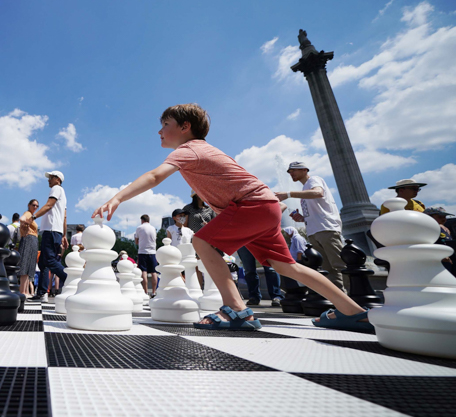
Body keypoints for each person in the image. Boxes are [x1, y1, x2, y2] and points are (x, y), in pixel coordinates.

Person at [93, 103, 371, 332]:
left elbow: (155, 176)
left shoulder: (189, 149)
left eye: (165, 124)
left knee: (201, 242)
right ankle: (354, 312)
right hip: (265, 206)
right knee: (286, 266)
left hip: (251, 206)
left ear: (185, 127)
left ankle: (237, 309)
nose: (159, 131)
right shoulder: (199, 151)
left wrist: (117, 197)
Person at [276, 161, 347, 292]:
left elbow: (318, 192)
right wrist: (302, 218)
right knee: (327, 269)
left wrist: (288, 194)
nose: (291, 173)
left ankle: (355, 297)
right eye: (289, 172)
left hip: (326, 229)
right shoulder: (305, 189)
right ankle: (342, 299)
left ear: (305, 170)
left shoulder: (314, 180)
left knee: (339, 264)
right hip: (314, 232)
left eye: (294, 170)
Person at [31, 171, 68, 300]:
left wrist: (33, 217)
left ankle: (72, 280)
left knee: (50, 260)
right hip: (55, 230)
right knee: (43, 263)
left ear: (57, 179)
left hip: (51, 229)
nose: (48, 180)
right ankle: (42, 293)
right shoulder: (63, 194)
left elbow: (48, 205)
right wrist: (64, 235)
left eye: (50, 178)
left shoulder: (56, 189)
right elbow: (64, 216)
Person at [18, 199, 40, 298]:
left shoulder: (31, 215)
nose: (35, 207)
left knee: (29, 266)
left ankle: (26, 291)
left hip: (33, 240)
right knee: (25, 264)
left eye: (37, 206)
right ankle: (23, 291)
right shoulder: (27, 213)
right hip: (28, 239)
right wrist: (26, 224)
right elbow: (22, 218)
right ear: (29, 205)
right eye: (33, 205)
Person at [424, 207, 455, 275]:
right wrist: (439, 255)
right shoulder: (426, 229)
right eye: (440, 217)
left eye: (444, 217)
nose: (443, 219)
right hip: (435, 262)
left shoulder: (445, 229)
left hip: (448, 261)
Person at [134, 214, 158, 297]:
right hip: (152, 252)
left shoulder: (139, 228)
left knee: (143, 271)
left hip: (142, 252)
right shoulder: (153, 228)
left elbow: (136, 242)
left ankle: (145, 292)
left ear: (142, 220)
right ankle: (154, 292)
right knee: (154, 272)